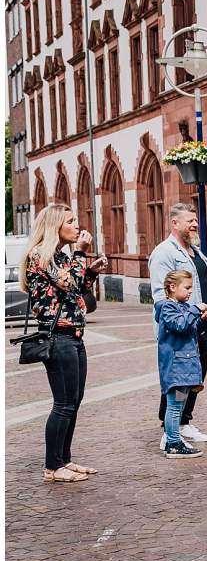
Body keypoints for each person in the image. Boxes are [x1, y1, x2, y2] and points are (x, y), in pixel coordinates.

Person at [19, 204, 106, 482]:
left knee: (74, 401)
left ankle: (64, 460)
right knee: (63, 403)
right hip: (57, 338)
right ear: (55, 225)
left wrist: (89, 271)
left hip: (74, 336)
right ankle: (52, 466)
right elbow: (69, 285)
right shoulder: (40, 256)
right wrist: (80, 252)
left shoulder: (59, 256)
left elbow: (78, 290)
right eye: (71, 221)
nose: (77, 226)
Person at [149, 203, 207, 447]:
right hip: (178, 332)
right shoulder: (164, 253)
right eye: (189, 220)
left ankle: (183, 421)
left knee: (192, 378)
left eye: (196, 220)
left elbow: (205, 291)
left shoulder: (196, 253)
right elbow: (160, 295)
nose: (194, 224)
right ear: (174, 223)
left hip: (197, 326)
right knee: (177, 380)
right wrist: (180, 318)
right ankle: (169, 428)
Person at [155, 270, 207, 458]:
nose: (189, 292)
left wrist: (203, 322)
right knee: (174, 405)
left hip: (185, 368)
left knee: (179, 404)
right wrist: (196, 310)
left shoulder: (183, 307)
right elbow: (180, 325)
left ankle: (174, 439)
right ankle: (172, 442)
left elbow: (191, 330)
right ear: (172, 287)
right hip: (176, 368)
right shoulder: (167, 308)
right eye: (186, 288)